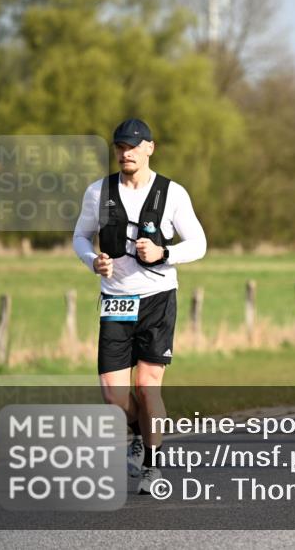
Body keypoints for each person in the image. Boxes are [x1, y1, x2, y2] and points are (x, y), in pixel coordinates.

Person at [72, 118, 207, 495]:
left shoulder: (172, 193)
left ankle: (152, 463)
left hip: (157, 299)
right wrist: (92, 260)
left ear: (150, 147)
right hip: (115, 300)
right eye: (119, 146)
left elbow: (198, 243)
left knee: (148, 389)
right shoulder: (98, 192)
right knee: (113, 397)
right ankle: (137, 433)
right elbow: (80, 236)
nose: (125, 152)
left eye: (133, 145)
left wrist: (165, 252)